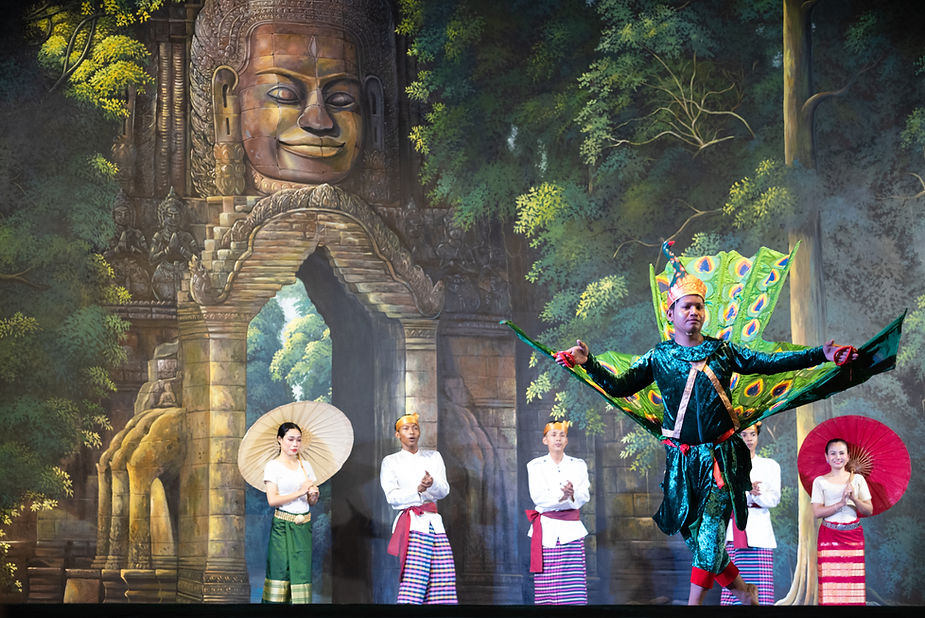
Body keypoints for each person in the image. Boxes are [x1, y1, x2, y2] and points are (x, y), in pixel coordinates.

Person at [555, 241, 857, 605]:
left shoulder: (723, 351)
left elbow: (770, 362)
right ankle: (746, 593)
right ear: (672, 315)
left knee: (711, 537)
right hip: (682, 463)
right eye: (686, 306)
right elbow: (619, 387)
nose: (694, 312)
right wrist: (588, 363)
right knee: (699, 539)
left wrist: (820, 355)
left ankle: (694, 605)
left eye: (699, 306)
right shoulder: (660, 356)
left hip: (720, 460)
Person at [380, 413, 458, 604]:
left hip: (434, 523)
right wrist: (418, 490)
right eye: (406, 429)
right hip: (412, 525)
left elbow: (444, 490)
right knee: (415, 579)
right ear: (397, 435)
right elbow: (392, 497)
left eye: (415, 427)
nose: (411, 432)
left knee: (443, 577)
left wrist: (430, 484)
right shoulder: (391, 461)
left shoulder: (433, 456)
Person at [525, 421, 590, 605]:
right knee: (548, 586)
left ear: (567, 440)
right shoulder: (535, 466)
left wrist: (572, 494)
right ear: (545, 440)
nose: (558, 439)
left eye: (561, 435)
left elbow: (584, 494)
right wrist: (561, 497)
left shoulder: (578, 465)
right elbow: (538, 497)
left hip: (571, 531)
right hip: (547, 531)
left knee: (572, 586)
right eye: (553, 435)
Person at [720, 423, 780, 605]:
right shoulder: (726, 467)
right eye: (744, 435)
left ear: (758, 436)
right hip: (734, 533)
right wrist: (746, 493)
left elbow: (773, 500)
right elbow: (724, 500)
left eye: (752, 434)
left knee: (760, 593)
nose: (748, 439)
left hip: (760, 532)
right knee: (734, 590)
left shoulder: (770, 466)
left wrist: (756, 495)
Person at [262, 421, 320, 603]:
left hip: (303, 526)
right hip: (282, 526)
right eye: (290, 439)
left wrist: (313, 495)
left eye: (298, 440)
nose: (295, 444)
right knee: (280, 571)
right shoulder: (273, 466)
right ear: (280, 440)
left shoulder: (306, 466)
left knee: (301, 573)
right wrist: (300, 491)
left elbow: (310, 502)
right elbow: (272, 500)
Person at [811, 438, 873, 605]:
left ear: (848, 456)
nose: (837, 457)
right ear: (826, 457)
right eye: (833, 453)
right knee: (831, 584)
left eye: (841, 453)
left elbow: (869, 510)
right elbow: (817, 512)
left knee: (853, 583)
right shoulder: (820, 481)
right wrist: (840, 503)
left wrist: (854, 498)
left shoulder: (858, 480)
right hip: (829, 535)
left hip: (853, 535)